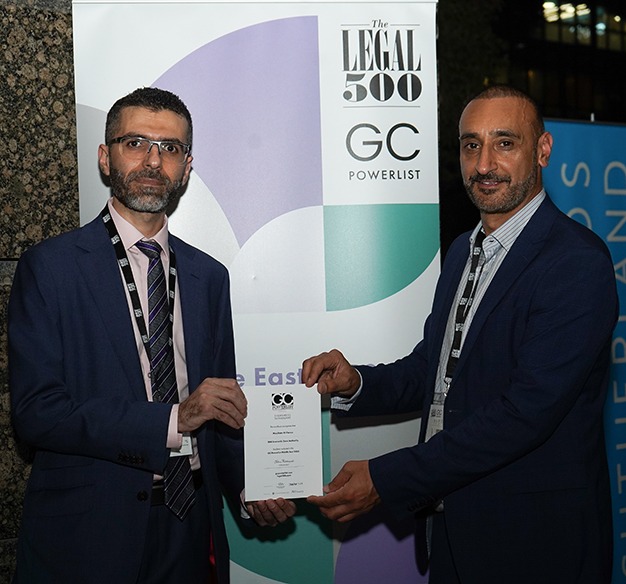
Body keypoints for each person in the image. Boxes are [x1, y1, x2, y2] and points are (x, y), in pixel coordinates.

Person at [302, 85, 618, 584]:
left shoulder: (576, 262)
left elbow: (524, 414)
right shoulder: (461, 252)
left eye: (504, 143)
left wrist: (387, 478)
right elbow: (436, 368)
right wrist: (357, 382)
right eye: (472, 145)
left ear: (542, 150)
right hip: (451, 527)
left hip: (535, 543)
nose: (484, 163)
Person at [9, 87, 295, 584]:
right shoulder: (50, 268)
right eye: (135, 142)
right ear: (105, 157)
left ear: (186, 168)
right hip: (88, 537)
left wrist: (251, 486)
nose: (152, 160)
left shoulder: (209, 276)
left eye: (170, 148)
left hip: (190, 531)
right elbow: (37, 413)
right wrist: (172, 419)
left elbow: (220, 406)